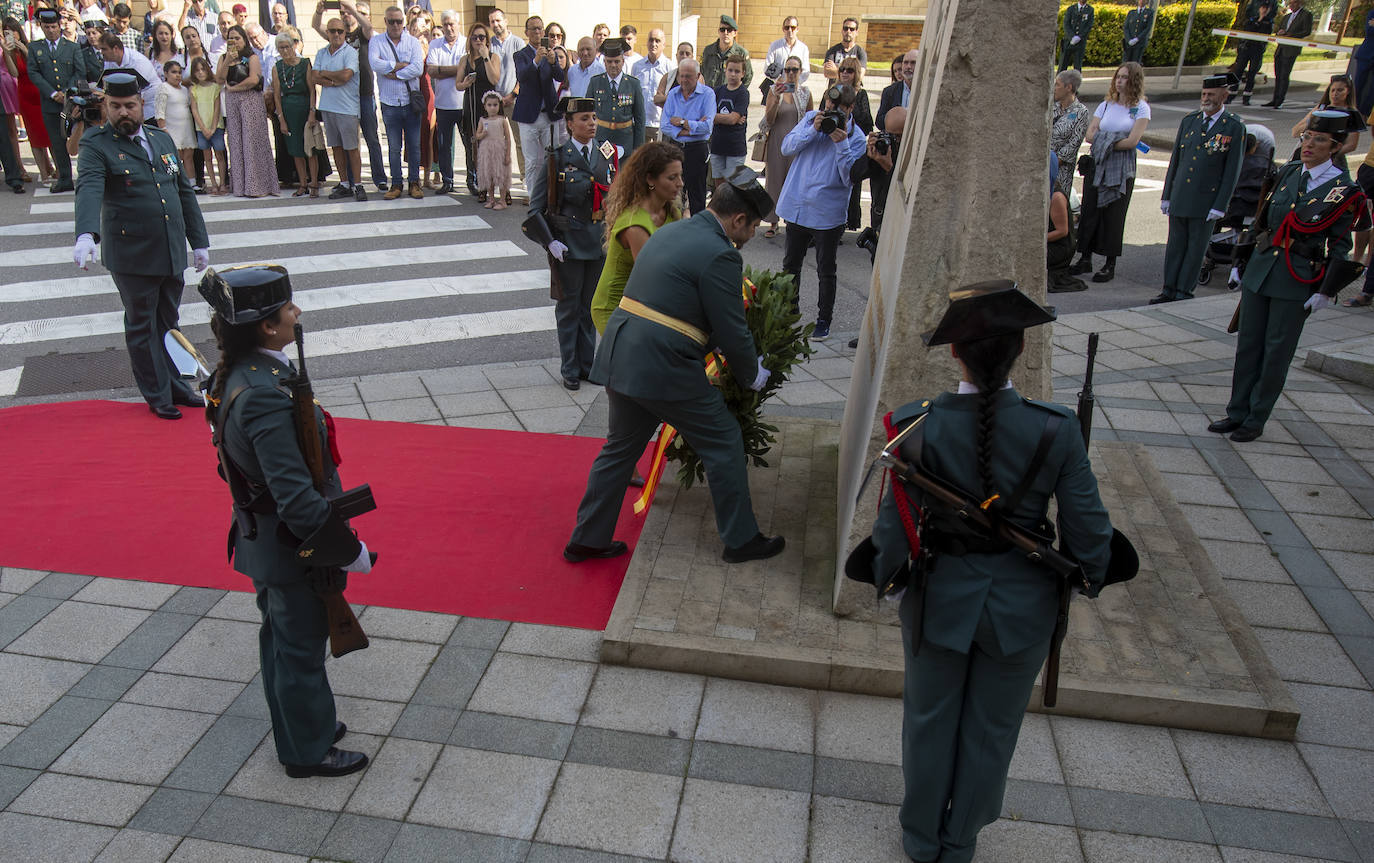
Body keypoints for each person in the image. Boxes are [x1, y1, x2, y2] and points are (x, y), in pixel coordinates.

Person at [864, 281, 1113, 863]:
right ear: (1021, 351)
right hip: (1023, 606)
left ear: (954, 354)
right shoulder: (1056, 429)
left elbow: (891, 531)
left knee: (928, 721)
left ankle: (921, 839)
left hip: (940, 598)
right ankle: (960, 840)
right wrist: (1089, 576)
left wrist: (884, 576)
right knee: (991, 731)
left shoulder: (915, 425)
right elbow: (1089, 531)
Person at [197, 264, 373, 780]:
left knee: (282, 639)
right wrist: (349, 548)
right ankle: (305, 751)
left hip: (269, 540)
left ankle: (303, 723)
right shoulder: (263, 397)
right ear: (268, 328)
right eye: (288, 309)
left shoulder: (247, 373)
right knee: (299, 649)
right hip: (293, 544)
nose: (297, 313)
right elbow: (297, 500)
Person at [566, 167, 784, 565]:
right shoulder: (720, 253)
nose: (751, 236)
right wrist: (751, 373)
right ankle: (741, 540)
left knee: (619, 450)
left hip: (621, 351)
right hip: (662, 364)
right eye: (753, 227)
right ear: (738, 220)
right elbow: (731, 327)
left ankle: (588, 538)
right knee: (723, 439)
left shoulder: (671, 230)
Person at [1209, 111, 1367, 441]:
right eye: (1306, 137)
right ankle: (1236, 412)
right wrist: (1241, 261)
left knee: (1276, 352)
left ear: (1335, 146)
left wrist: (1327, 289)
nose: (1309, 144)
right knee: (1248, 345)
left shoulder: (1343, 191)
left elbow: (1341, 245)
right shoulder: (1291, 172)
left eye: (1318, 139)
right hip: (1262, 270)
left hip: (1296, 279)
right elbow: (1262, 221)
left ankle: (1256, 417)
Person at [73, 70, 210, 420]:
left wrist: (198, 242)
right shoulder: (96, 144)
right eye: (115, 106)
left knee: (169, 322)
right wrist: (87, 233)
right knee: (141, 325)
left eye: (129, 105)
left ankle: (178, 385)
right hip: (132, 255)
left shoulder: (160, 139)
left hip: (169, 250)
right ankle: (157, 393)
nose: (123, 113)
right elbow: (88, 187)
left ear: (141, 104)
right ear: (105, 105)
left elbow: (182, 193)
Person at [529, 97, 612, 389]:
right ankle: (570, 368)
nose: (591, 124)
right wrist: (550, 242)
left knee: (589, 307)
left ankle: (587, 365)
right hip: (569, 246)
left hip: (598, 243)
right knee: (569, 308)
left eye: (593, 118)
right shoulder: (558, 157)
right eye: (584, 119)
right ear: (569, 124)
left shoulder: (605, 153)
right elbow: (535, 210)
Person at [776, 82, 866, 340]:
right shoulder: (810, 119)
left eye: (838, 108)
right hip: (798, 205)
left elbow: (848, 177)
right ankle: (789, 315)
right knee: (790, 265)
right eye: (828, 104)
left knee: (826, 269)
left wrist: (841, 143)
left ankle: (823, 320)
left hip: (827, 212)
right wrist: (812, 130)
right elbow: (787, 147)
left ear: (850, 109)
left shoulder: (856, 138)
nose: (831, 110)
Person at [1155, 74, 1244, 303]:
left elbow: (1231, 171)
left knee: (1195, 250)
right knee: (1175, 247)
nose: (1206, 98)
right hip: (1181, 196)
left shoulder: (1233, 127)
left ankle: (1184, 291)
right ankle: (1168, 289)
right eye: (1204, 94)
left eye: (1211, 95)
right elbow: (1176, 161)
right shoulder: (1190, 121)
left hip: (1206, 200)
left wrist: (1220, 205)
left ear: (1224, 95)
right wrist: (1167, 195)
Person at [590, 139, 682, 332]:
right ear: (650, 179)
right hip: (615, 307)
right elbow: (653, 280)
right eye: (672, 178)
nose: (680, 184)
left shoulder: (672, 213)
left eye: (680, 176)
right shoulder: (635, 225)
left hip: (643, 303)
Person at [1070, 61, 1148, 285]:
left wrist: (1106, 140)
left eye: (1124, 77)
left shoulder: (1141, 108)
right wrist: (1112, 139)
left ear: (1133, 80)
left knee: (1113, 215)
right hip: (1099, 163)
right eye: (1118, 77)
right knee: (1090, 211)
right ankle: (1085, 257)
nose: (1119, 81)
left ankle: (1109, 263)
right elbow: (1090, 134)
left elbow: (1132, 141)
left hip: (1121, 167)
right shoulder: (1106, 106)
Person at [313, 0, 385, 192]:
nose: (346, 15)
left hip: (364, 92)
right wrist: (320, 11)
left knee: (371, 138)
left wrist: (351, 7)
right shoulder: (338, 35)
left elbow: (368, 25)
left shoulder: (363, 33)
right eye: (342, 13)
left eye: (350, 13)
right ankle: (350, 181)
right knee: (347, 142)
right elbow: (316, 26)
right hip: (343, 96)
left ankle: (379, 178)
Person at [26, 8, 88, 191]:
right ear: (41, 27)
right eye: (47, 27)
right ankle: (65, 178)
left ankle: (86, 175)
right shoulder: (35, 48)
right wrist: (53, 94)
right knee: (57, 142)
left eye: (54, 26)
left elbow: (79, 71)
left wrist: (67, 92)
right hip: (50, 103)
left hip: (72, 103)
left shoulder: (72, 47)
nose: (51, 30)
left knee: (81, 139)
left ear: (59, 26)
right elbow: (33, 73)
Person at [369, 4, 423, 199]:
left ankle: (414, 182)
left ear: (404, 22)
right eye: (391, 21)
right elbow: (375, 64)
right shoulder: (377, 42)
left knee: (414, 145)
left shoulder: (413, 42)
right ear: (385, 22)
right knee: (393, 146)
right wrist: (400, 66)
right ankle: (397, 184)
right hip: (389, 102)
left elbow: (417, 68)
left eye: (399, 21)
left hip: (411, 102)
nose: (395, 25)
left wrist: (393, 73)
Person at [216, 24, 276, 196]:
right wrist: (228, 59)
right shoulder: (223, 58)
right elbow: (219, 79)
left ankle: (257, 186)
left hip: (250, 100)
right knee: (235, 141)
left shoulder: (251, 57)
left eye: (237, 38)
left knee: (252, 142)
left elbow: (253, 79)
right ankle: (241, 186)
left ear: (244, 40)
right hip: (232, 103)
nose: (234, 41)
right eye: (231, 38)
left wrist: (234, 89)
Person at [510, 15, 562, 204]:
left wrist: (553, 61)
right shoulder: (521, 55)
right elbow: (522, 77)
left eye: (540, 29)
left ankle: (552, 195)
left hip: (549, 114)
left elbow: (559, 76)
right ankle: (533, 196)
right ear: (527, 33)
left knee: (552, 157)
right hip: (529, 115)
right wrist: (535, 60)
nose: (538, 32)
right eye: (533, 29)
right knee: (532, 160)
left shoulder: (551, 52)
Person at [312, 14, 363, 200]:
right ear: (327, 33)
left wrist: (326, 74)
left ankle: (357, 184)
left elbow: (346, 76)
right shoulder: (322, 52)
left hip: (347, 107)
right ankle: (344, 183)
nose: (336, 34)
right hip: (328, 107)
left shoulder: (350, 52)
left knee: (352, 148)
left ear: (345, 33)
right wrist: (333, 78)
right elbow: (314, 76)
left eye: (340, 31)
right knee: (336, 147)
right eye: (332, 31)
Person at [762, 55, 810, 237]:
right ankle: (773, 222)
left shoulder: (805, 93)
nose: (790, 73)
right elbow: (769, 119)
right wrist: (776, 99)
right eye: (787, 69)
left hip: (797, 144)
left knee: (795, 182)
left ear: (800, 72)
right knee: (774, 180)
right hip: (777, 140)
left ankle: (792, 220)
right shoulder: (775, 90)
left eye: (794, 70)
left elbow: (810, 118)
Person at [661, 57, 713, 214]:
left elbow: (707, 127)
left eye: (688, 76)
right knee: (672, 193)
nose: (684, 80)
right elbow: (665, 125)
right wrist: (692, 127)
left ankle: (697, 231)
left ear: (698, 76)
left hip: (697, 150)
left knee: (697, 195)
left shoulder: (707, 94)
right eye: (681, 75)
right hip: (675, 149)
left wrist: (682, 122)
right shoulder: (672, 94)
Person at [455, 21, 498, 199]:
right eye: (475, 38)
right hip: (471, 104)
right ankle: (477, 182)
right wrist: (465, 83)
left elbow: (494, 79)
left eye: (482, 37)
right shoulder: (465, 59)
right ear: (470, 40)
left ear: (487, 40)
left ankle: (490, 184)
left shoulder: (493, 56)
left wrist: (485, 57)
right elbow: (458, 84)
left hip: (488, 107)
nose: (478, 41)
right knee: (473, 146)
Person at [273, 30, 316, 195]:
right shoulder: (277, 68)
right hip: (288, 109)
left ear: (293, 46)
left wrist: (312, 111)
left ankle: (313, 183)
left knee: (310, 147)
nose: (285, 51)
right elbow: (277, 95)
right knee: (295, 148)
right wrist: (281, 119)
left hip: (304, 106)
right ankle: (303, 183)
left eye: (287, 47)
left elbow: (312, 89)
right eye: (281, 48)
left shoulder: (305, 63)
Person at [425, 9, 462, 194]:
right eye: (445, 24)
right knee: (444, 146)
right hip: (443, 104)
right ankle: (448, 180)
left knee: (471, 145)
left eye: (452, 24)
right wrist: (458, 69)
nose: (449, 27)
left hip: (464, 104)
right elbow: (431, 70)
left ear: (458, 24)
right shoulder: (435, 44)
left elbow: (469, 69)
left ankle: (473, 181)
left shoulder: (466, 43)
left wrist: (442, 70)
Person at [1290, 74, 1364, 167]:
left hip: (1333, 161)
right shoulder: (1321, 108)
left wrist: (1328, 154)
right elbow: (1295, 132)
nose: (1335, 94)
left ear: (1348, 91)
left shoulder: (1351, 113)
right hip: (1309, 157)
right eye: (1332, 90)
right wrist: (1315, 119)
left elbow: (1351, 145)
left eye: (1340, 90)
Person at [588, 37, 643, 159]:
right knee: (603, 175)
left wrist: (637, 148)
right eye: (609, 61)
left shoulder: (633, 84)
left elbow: (640, 119)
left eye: (617, 61)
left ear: (623, 62)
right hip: (601, 139)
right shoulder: (595, 82)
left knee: (624, 176)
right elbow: (588, 113)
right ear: (604, 62)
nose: (613, 65)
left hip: (625, 141)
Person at [837, 57, 872, 230]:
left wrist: (851, 125)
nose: (845, 73)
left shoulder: (861, 95)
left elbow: (867, 123)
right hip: (833, 143)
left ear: (856, 74)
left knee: (850, 185)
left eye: (849, 70)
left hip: (853, 144)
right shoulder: (832, 91)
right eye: (842, 69)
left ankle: (845, 223)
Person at [99, 29, 161, 119]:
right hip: (129, 104)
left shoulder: (138, 61)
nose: (102, 53)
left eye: (104, 49)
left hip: (151, 105)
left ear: (115, 49)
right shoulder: (109, 61)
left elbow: (138, 89)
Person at [188, 55, 227, 193]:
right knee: (207, 157)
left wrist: (212, 127)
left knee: (220, 155)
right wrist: (203, 128)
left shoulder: (215, 87)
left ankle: (223, 183)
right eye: (197, 70)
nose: (200, 72)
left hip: (216, 127)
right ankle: (214, 184)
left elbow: (217, 108)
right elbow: (194, 109)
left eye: (202, 69)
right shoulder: (193, 89)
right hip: (201, 128)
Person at [1264, 0, 1310, 108]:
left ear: (1299, 3)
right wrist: (1280, 32)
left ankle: (1280, 100)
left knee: (1284, 75)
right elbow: (1280, 28)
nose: (1292, 5)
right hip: (1281, 49)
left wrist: (1291, 35)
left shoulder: (1306, 15)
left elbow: (1306, 31)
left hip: (1291, 49)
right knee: (1278, 75)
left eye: (1294, 3)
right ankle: (1275, 99)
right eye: (1290, 3)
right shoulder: (1287, 17)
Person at [708, 54, 747, 181]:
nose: (733, 74)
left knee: (733, 187)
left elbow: (733, 119)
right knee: (719, 186)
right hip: (717, 145)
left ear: (743, 73)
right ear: (725, 70)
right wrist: (728, 118)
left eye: (737, 71)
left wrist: (716, 117)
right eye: (730, 70)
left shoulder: (743, 93)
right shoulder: (718, 91)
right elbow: (707, 114)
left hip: (735, 148)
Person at [1050, 69, 1088, 198]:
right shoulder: (1051, 107)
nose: (1054, 88)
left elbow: (1074, 144)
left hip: (1061, 170)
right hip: (1042, 164)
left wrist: (1052, 163)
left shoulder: (1081, 112)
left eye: (1057, 85)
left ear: (1069, 87)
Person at [1230, 0, 1272, 107]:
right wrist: (1258, 21)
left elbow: (1265, 33)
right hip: (1246, 48)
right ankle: (1230, 95)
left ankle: (1246, 97)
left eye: (1266, 9)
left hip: (1257, 49)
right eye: (1262, 8)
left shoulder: (1268, 22)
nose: (1264, 10)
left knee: (1252, 73)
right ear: (1259, 9)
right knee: (1238, 71)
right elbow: (1249, 29)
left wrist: (1261, 20)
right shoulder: (1251, 19)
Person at [155, 59, 195, 167]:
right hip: (171, 129)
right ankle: (174, 183)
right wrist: (164, 130)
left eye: (179, 72)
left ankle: (192, 182)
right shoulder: (163, 88)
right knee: (173, 157)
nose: (177, 75)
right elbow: (160, 111)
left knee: (188, 156)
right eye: (173, 72)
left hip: (186, 128)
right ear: (166, 73)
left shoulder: (185, 90)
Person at [472, 89, 508, 208]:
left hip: (499, 150)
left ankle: (502, 200)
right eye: (489, 105)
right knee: (489, 174)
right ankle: (491, 199)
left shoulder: (502, 120)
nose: (492, 108)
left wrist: (507, 154)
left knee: (501, 175)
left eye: (495, 105)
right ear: (485, 106)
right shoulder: (483, 120)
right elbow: (477, 134)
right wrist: (481, 135)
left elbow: (507, 138)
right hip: (486, 150)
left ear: (499, 105)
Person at [632, 28, 669, 142]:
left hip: (659, 124)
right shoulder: (637, 66)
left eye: (657, 41)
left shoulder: (670, 67)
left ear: (664, 44)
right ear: (647, 42)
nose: (654, 44)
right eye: (651, 40)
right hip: (640, 123)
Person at [764, 16, 809, 100]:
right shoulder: (774, 45)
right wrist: (779, 81)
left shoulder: (803, 48)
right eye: (787, 27)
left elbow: (806, 71)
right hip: (777, 89)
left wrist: (795, 83)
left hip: (796, 90)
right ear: (783, 29)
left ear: (797, 29)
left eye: (793, 27)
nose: (790, 30)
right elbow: (767, 67)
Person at [700, 14, 749, 90]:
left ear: (735, 33)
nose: (725, 33)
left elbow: (747, 77)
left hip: (730, 96)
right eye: (722, 30)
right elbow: (701, 73)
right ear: (718, 31)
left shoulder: (741, 53)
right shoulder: (708, 51)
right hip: (711, 95)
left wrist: (737, 92)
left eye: (729, 30)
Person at [875, 47, 916, 133]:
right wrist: (895, 117)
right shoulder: (889, 91)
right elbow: (879, 122)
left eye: (913, 63)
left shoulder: (927, 91)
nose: (908, 66)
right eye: (905, 63)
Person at [823, 17, 865, 81]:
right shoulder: (832, 51)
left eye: (852, 29)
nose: (848, 31)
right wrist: (851, 72)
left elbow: (859, 76)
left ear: (856, 32)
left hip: (852, 90)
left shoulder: (860, 52)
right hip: (834, 89)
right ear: (842, 31)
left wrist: (836, 70)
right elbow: (827, 73)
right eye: (845, 28)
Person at [1059, 0, 1092, 72]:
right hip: (1068, 42)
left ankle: (1076, 82)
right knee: (1062, 66)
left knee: (1077, 67)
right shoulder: (1071, 9)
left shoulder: (1090, 10)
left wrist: (1079, 37)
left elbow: (1088, 26)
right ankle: (1059, 82)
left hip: (1080, 43)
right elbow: (1066, 24)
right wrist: (1072, 36)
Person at [1353, 8, 1374, 119]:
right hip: (1366, 55)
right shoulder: (1372, 13)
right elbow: (1370, 31)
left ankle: (1365, 113)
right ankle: (1354, 110)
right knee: (1358, 84)